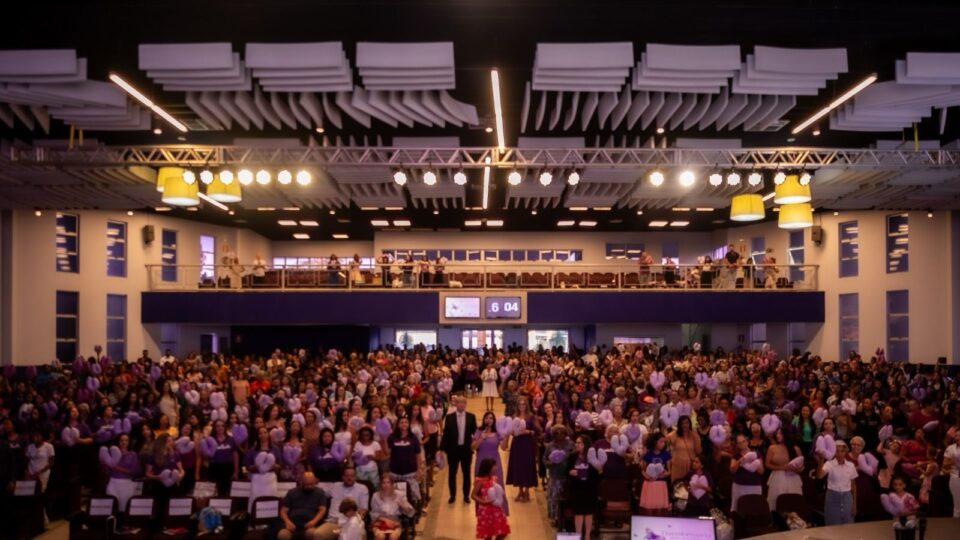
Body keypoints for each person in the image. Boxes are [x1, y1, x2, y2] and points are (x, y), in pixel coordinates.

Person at [314, 466, 369, 540]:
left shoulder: (362, 488)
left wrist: (356, 519)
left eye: (352, 476)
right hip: (333, 522)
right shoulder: (335, 486)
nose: (349, 478)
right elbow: (321, 493)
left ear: (355, 477)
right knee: (318, 534)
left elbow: (364, 509)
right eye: (347, 476)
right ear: (342, 477)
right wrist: (314, 483)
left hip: (351, 522)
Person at [440, 395, 477, 504]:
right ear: (456, 404)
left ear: (466, 404)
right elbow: (445, 434)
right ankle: (452, 495)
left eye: (463, 402)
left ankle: (466, 495)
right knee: (452, 473)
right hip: (453, 450)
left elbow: (475, 433)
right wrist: (441, 449)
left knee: (466, 474)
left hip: (466, 450)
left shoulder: (471, 417)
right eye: (459, 402)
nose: (461, 404)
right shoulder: (449, 417)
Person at [472, 412, 508, 515]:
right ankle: (482, 511)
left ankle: (498, 511)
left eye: (491, 418)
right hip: (481, 463)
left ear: (494, 420)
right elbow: (473, 447)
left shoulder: (497, 433)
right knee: (481, 487)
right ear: (483, 420)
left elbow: (504, 447)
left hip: (494, 464)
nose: (489, 420)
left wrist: (506, 436)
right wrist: (480, 439)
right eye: (487, 418)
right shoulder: (479, 431)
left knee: (497, 486)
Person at [277, 472, 329, 540]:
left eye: (311, 484)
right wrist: (287, 522)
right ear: (301, 482)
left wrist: (314, 521)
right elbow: (283, 511)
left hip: (310, 524)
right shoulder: (292, 492)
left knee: (311, 534)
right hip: (292, 524)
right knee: (282, 535)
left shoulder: (320, 493)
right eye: (307, 484)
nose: (309, 486)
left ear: (315, 481)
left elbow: (322, 510)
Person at [566, 434, 600, 539]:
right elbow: (567, 471)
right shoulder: (572, 456)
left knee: (589, 513)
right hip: (577, 489)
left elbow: (597, 474)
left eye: (579, 443)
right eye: (576, 443)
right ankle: (578, 535)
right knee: (578, 513)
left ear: (585, 444)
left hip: (589, 488)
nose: (577, 445)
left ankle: (587, 536)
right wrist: (570, 472)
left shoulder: (592, 456)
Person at [387, 417, 424, 504]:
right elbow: (388, 452)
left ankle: (415, 510)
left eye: (406, 422)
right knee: (397, 494)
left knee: (412, 494)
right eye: (401, 422)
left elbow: (418, 454)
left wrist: (419, 469)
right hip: (396, 471)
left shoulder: (413, 437)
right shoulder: (392, 437)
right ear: (398, 425)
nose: (404, 424)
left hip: (410, 470)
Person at [765, 427, 803, 509]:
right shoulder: (772, 448)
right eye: (777, 433)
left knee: (793, 503)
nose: (778, 435)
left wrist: (797, 469)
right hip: (778, 478)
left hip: (793, 478)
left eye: (780, 433)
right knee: (777, 502)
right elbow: (767, 464)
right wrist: (783, 467)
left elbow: (801, 466)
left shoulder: (796, 449)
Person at [473, 457, 510, 540]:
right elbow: (473, 495)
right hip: (485, 510)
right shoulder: (480, 481)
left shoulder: (493, 479)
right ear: (488, 468)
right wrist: (483, 502)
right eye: (494, 466)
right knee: (488, 533)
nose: (496, 468)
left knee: (502, 531)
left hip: (496, 509)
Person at [105, 433, 142, 513]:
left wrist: (117, 468)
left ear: (129, 442)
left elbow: (134, 471)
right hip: (113, 482)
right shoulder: (112, 454)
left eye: (126, 440)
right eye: (121, 440)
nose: (124, 442)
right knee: (113, 507)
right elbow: (108, 471)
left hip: (126, 484)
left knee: (124, 509)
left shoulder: (132, 455)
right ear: (118, 441)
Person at [370, 475, 414, 540]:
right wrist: (386, 520)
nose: (386, 485)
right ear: (381, 484)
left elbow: (410, 512)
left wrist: (403, 506)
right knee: (380, 537)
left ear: (392, 484)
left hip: (395, 522)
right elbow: (373, 513)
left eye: (388, 482)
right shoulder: (375, 496)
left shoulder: (400, 495)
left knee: (393, 537)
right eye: (383, 483)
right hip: (380, 523)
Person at [729, 433, 764, 513]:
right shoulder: (736, 456)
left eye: (743, 441)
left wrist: (755, 462)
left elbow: (761, 471)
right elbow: (732, 470)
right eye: (739, 443)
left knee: (754, 509)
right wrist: (739, 462)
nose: (742, 444)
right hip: (739, 486)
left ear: (747, 442)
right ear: (737, 445)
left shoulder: (756, 454)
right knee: (739, 509)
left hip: (755, 485)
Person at [946, 429, 960, 517]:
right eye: (956, 435)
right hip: (955, 475)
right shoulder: (950, 448)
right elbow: (945, 465)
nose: (958, 437)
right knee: (957, 503)